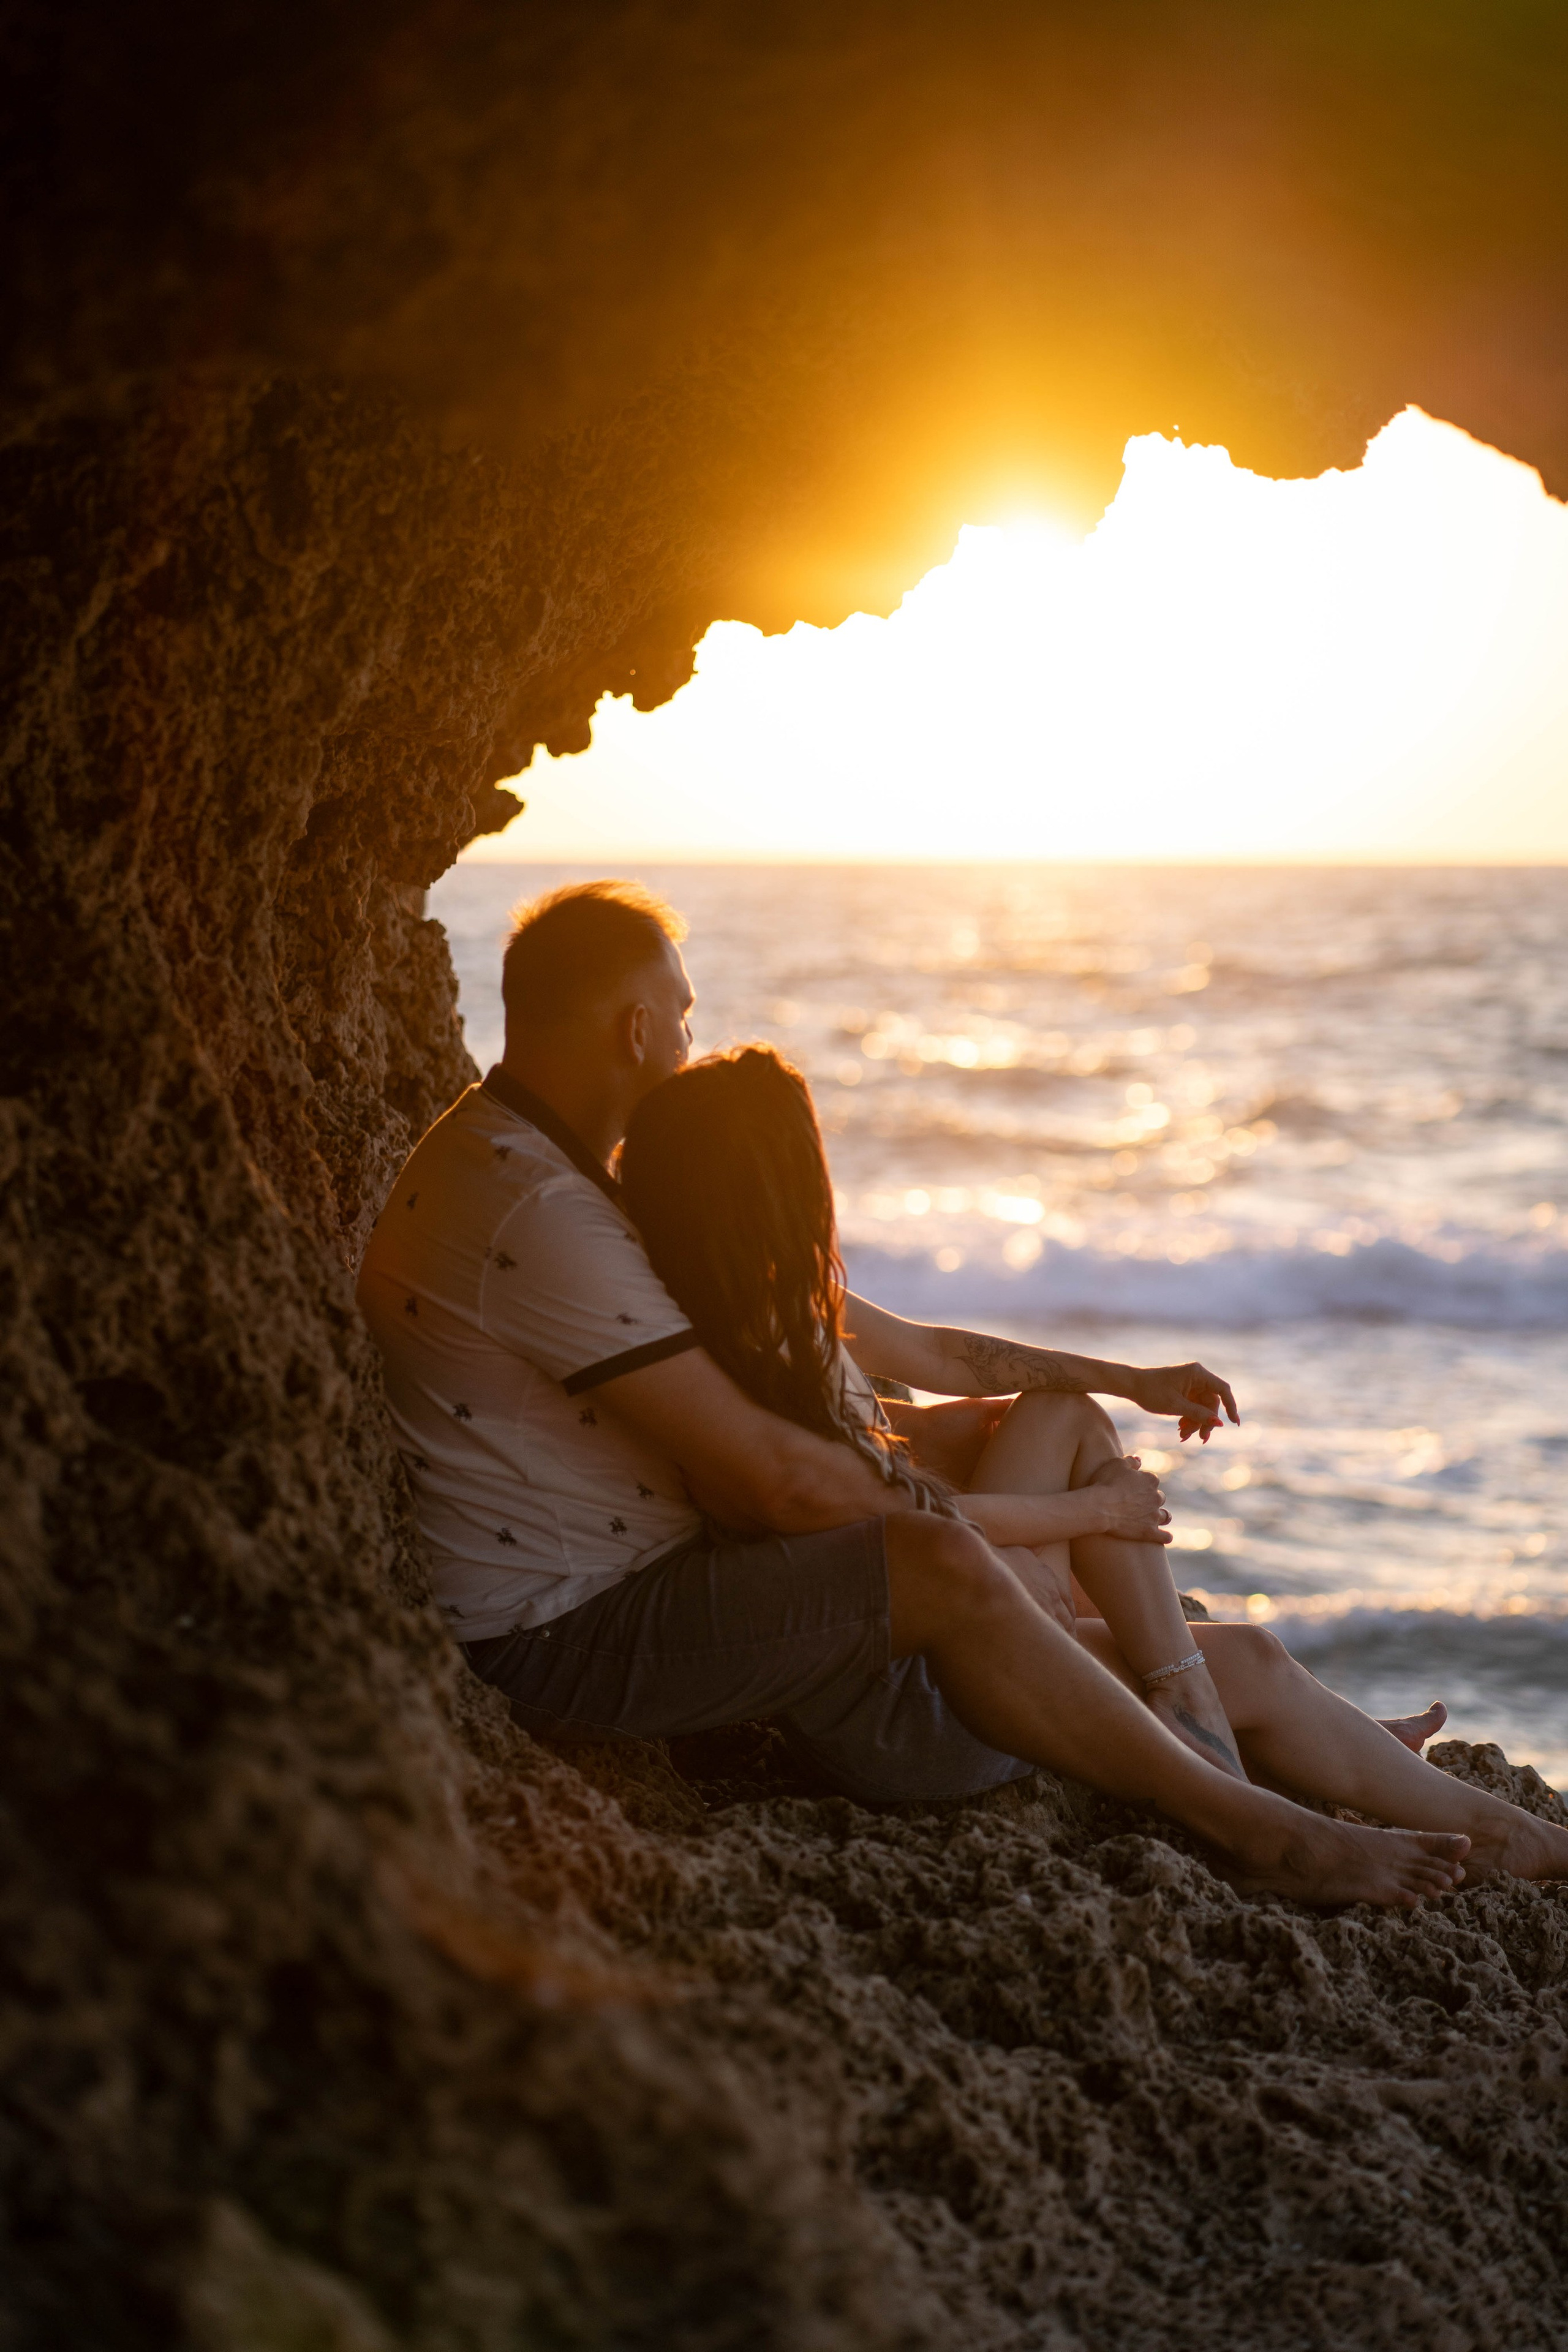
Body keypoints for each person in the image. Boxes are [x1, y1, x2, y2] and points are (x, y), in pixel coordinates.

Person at [352, 880, 1561, 1901]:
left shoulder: (573, 1180)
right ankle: (1261, 1822)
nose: (685, 1038)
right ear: (631, 1031)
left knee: (1124, 1534)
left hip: (671, 1577)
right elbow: (776, 1479)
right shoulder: (542, 1212)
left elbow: (892, 1369)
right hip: (568, 1630)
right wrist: (1037, 1533)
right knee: (947, 1560)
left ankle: (1390, 1788)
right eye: (678, 1014)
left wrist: (1114, 1390)